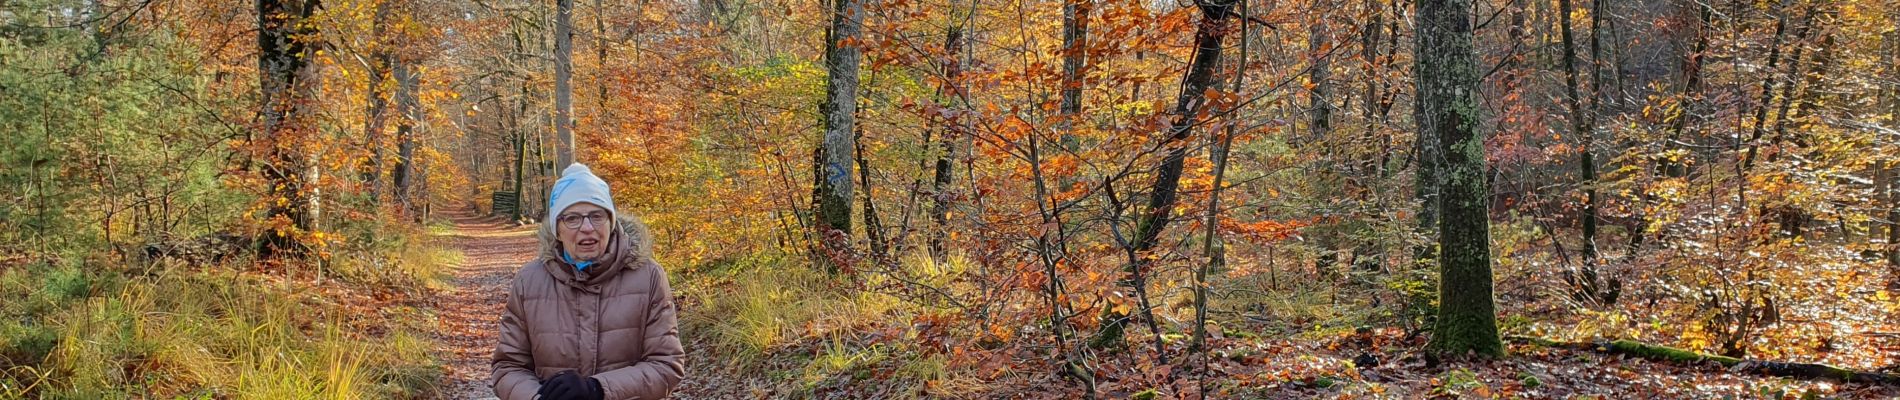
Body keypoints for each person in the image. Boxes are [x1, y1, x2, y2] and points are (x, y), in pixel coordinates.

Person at [492, 163, 685, 400]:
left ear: (610, 222)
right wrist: (537, 398)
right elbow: (507, 367)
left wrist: (598, 388)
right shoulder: (529, 281)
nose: (587, 228)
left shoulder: (648, 276)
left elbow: (666, 365)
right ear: (557, 229)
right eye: (572, 218)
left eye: (597, 216)